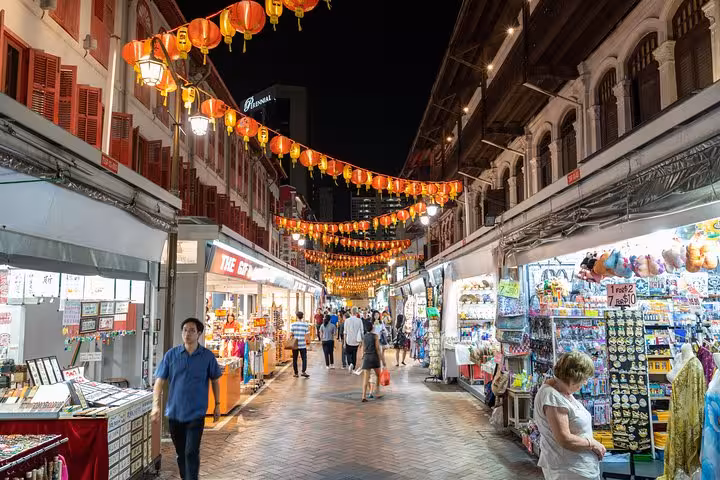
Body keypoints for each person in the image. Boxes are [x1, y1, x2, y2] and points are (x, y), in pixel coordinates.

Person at [152, 318, 222, 480]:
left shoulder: (207, 357)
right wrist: (155, 406)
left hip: (196, 413)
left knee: (191, 451)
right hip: (175, 413)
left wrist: (217, 404)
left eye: (191, 330)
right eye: (184, 330)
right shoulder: (172, 355)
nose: (187, 334)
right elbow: (159, 381)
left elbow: (215, 381)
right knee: (181, 452)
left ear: (198, 334)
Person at [533, 352, 605, 480]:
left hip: (577, 467)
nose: (585, 382)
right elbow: (565, 439)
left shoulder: (562, 391)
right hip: (568, 469)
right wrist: (592, 444)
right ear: (574, 376)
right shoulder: (552, 396)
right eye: (584, 379)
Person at [361, 318, 386, 402]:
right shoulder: (375, 336)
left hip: (367, 358)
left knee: (366, 378)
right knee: (378, 375)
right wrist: (382, 360)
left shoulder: (364, 337)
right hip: (374, 358)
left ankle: (363, 396)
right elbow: (378, 349)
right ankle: (377, 392)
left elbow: (363, 348)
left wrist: (362, 357)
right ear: (372, 327)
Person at [290, 312, 311, 378]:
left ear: (296, 316)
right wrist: (308, 343)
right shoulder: (305, 325)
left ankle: (296, 373)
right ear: (302, 317)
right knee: (304, 358)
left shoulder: (293, 324)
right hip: (302, 344)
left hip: (295, 344)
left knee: (295, 359)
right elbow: (307, 335)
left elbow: (291, 334)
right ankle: (303, 371)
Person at [344, 307, 364, 372]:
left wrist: (344, 342)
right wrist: (361, 342)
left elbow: (345, 332)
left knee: (348, 353)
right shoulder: (359, 320)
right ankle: (353, 366)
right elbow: (362, 331)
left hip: (348, 340)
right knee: (354, 353)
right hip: (356, 340)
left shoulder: (347, 320)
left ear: (351, 312)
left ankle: (350, 363)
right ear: (357, 312)